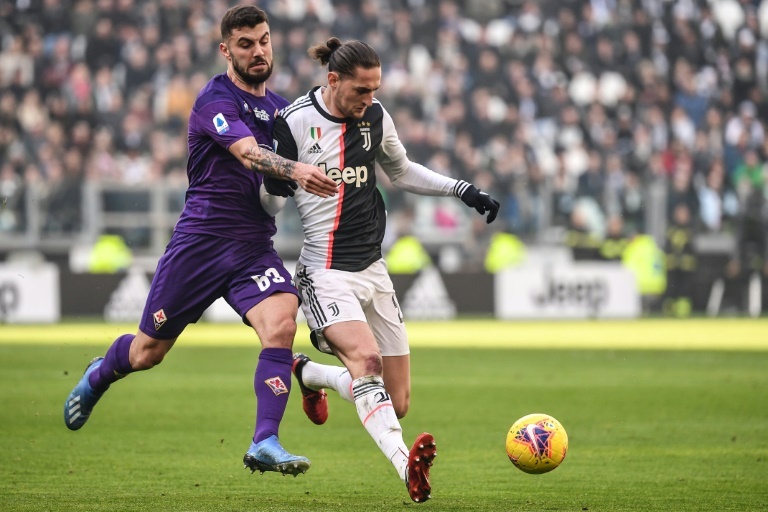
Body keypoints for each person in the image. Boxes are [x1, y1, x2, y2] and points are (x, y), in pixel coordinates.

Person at [63, 5, 338, 477]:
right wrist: (296, 170)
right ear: (225, 50)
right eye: (246, 44)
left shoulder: (282, 111)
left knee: (280, 323)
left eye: (264, 40)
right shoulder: (214, 99)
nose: (258, 51)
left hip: (253, 248)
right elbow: (249, 154)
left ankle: (265, 440)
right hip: (200, 245)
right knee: (147, 353)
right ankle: (99, 374)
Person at [262, 37, 500, 503]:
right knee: (366, 362)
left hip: (373, 269)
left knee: (397, 399)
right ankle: (405, 466)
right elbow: (269, 204)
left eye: (375, 89)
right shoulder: (294, 121)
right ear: (333, 80)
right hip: (324, 271)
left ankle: (308, 374)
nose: (369, 99)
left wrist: (462, 190)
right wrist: (278, 182)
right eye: (361, 90)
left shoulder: (375, 116)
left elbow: (402, 170)